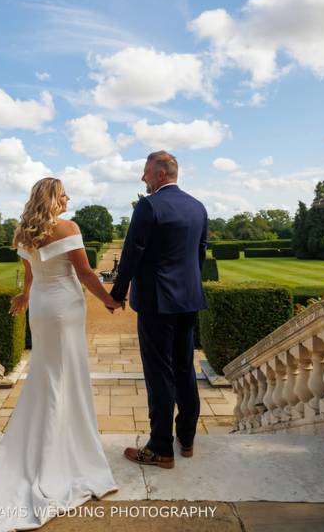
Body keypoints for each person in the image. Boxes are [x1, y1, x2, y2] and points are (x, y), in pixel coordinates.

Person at [0, 177, 121, 532]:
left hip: (41, 307)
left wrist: (26, 297)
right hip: (64, 308)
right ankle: (60, 453)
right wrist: (109, 299)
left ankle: (47, 443)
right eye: (63, 194)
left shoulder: (24, 232)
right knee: (62, 376)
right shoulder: (68, 228)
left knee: (48, 373)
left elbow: (29, 275)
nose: (68, 198)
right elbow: (85, 273)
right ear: (52, 198)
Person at [110, 150, 208, 469]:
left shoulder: (149, 205)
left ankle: (161, 448)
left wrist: (117, 293)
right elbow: (199, 255)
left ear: (161, 174)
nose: (143, 177)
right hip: (188, 300)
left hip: (156, 302)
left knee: (159, 374)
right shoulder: (198, 207)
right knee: (184, 368)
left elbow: (132, 253)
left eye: (146, 172)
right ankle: (187, 438)